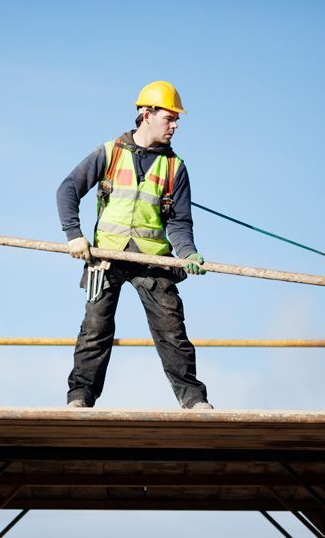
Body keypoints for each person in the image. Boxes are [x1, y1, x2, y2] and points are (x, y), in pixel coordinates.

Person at [56, 80, 212, 410]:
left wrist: (187, 253)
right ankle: (80, 396)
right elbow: (68, 190)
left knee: (172, 332)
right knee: (95, 329)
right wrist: (74, 235)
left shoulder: (175, 168)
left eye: (176, 119)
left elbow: (179, 224)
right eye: (170, 117)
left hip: (153, 261)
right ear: (146, 114)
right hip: (105, 257)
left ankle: (193, 398)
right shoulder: (109, 153)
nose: (175, 125)